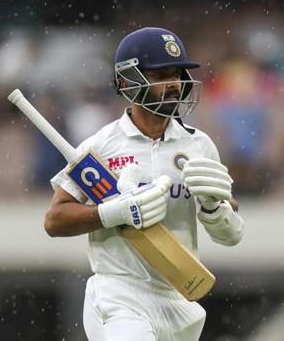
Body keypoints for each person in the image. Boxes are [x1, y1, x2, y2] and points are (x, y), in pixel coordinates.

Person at [45, 27, 245, 340]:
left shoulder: (199, 146)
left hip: (179, 293)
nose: (174, 85)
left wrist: (214, 207)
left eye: (177, 74)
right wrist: (114, 213)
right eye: (161, 75)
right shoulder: (102, 145)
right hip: (119, 291)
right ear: (127, 81)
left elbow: (230, 233)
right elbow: (55, 220)